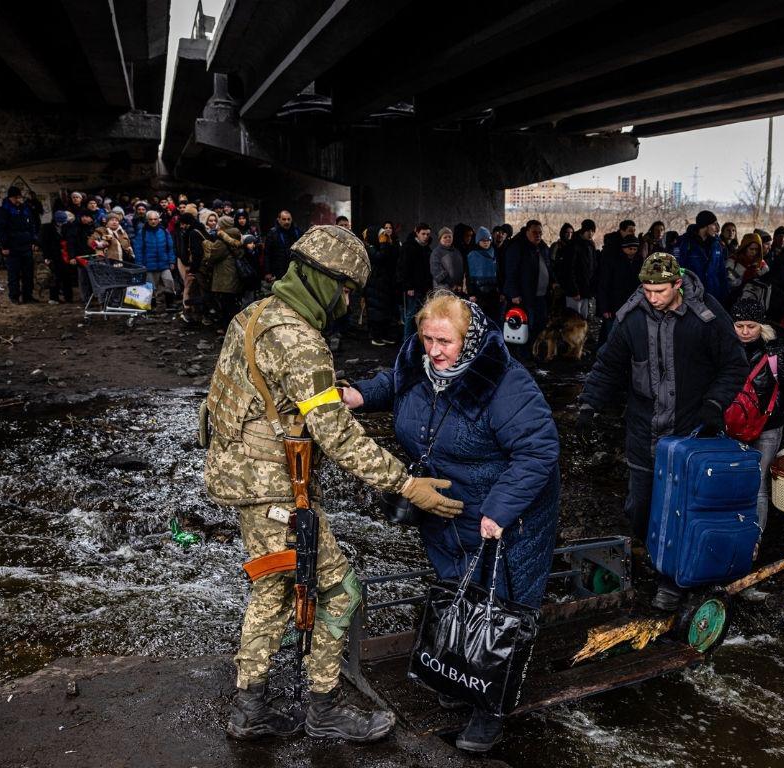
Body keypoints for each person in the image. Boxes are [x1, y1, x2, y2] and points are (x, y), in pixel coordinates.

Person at [205, 225, 462, 743]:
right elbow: (338, 436)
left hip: (244, 481)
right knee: (342, 591)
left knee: (272, 591)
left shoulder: (255, 315)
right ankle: (322, 708)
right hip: (274, 489)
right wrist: (406, 484)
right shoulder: (301, 340)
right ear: (325, 281)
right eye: (345, 290)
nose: (347, 302)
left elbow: (239, 402)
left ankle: (249, 708)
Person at [343, 291, 560, 752]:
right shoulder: (420, 363)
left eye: (445, 341)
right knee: (455, 590)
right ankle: (458, 675)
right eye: (427, 339)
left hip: (505, 517)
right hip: (445, 508)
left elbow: (538, 451)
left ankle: (490, 710)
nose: (434, 351)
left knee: (498, 606)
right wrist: (361, 394)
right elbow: (395, 383)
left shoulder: (504, 383)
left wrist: (499, 510)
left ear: (471, 338)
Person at [577, 252, 748, 609]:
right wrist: (589, 405)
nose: (652, 297)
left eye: (659, 290)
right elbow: (608, 365)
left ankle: (672, 581)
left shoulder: (706, 317)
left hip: (689, 433)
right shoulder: (631, 319)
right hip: (643, 431)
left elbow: (734, 364)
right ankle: (649, 558)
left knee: (681, 510)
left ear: (677, 285)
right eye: (647, 289)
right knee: (639, 507)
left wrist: (715, 405)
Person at [730, 298, 784, 532]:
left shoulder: (777, 352)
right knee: (730, 479)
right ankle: (731, 533)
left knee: (758, 485)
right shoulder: (723, 348)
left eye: (751, 326)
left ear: (762, 326)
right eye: (739, 326)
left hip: (768, 426)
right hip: (732, 426)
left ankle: (753, 538)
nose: (745, 332)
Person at [504, 220, 553, 355]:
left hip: (541, 295)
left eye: (540, 233)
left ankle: (534, 352)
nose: (538, 235)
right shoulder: (517, 247)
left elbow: (548, 267)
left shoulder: (542, 247)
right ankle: (523, 356)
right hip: (524, 296)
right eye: (534, 233)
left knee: (540, 324)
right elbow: (510, 271)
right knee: (525, 326)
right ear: (527, 232)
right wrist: (514, 293)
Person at [595, 233, 643, 345]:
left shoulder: (639, 261)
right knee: (611, 334)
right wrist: (605, 308)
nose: (632, 252)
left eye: (635, 249)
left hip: (632, 303)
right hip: (614, 305)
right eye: (629, 249)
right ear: (623, 248)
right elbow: (604, 285)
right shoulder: (612, 261)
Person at [0, 186, 39, 304]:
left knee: (28, 273)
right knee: (13, 274)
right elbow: (0, 229)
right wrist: (4, 246)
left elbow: (32, 226)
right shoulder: (4, 210)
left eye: (20, 197)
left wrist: (34, 241)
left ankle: (28, 296)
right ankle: (14, 297)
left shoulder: (25, 209)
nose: (19, 200)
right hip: (12, 247)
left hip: (26, 245)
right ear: (11, 198)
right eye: (17, 198)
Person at [673, 211, 727, 303]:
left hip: (714, 296)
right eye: (714, 224)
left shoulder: (717, 245)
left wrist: (725, 295)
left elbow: (721, 272)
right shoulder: (685, 243)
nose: (717, 228)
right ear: (705, 225)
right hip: (692, 297)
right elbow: (677, 271)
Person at [202, 215, 243, 329]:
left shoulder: (222, 240)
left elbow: (214, 255)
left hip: (225, 276)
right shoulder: (237, 235)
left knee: (226, 303)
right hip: (233, 274)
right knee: (232, 302)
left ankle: (227, 327)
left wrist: (207, 245)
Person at [363, 222, 400, 346]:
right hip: (374, 283)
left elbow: (392, 256)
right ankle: (375, 336)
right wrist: (384, 244)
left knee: (384, 310)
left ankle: (383, 335)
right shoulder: (369, 248)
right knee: (375, 311)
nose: (383, 237)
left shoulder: (380, 246)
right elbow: (380, 258)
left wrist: (387, 243)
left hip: (383, 283)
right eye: (381, 235)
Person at [132, 210, 177, 311]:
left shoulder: (164, 231)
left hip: (164, 263)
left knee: (169, 283)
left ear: (158, 220)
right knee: (152, 287)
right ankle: (156, 306)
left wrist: (171, 261)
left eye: (155, 219)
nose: (153, 221)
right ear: (147, 220)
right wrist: (140, 265)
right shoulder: (142, 232)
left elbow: (170, 247)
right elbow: (138, 250)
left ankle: (170, 303)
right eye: (151, 219)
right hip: (149, 265)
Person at [396, 222, 433, 338]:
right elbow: (404, 268)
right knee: (411, 315)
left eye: (427, 234)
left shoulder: (426, 248)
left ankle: (418, 341)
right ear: (416, 232)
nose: (426, 236)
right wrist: (408, 286)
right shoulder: (408, 247)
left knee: (422, 315)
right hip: (413, 287)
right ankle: (407, 342)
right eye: (423, 234)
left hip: (424, 287)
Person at [175, 204, 208, 324]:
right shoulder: (201, 229)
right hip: (205, 266)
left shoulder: (192, 233)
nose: (182, 226)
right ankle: (196, 314)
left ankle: (192, 315)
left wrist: (192, 269)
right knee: (197, 290)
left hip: (198, 267)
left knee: (192, 290)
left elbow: (196, 253)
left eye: (183, 223)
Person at [466, 226, 502, 326]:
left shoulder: (494, 252)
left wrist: (501, 290)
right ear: (478, 241)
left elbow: (499, 273)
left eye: (488, 240)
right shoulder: (472, 254)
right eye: (483, 240)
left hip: (493, 292)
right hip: (478, 294)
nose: (486, 242)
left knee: (494, 320)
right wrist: (471, 293)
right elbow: (468, 275)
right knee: (480, 321)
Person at [560, 219, 596, 319]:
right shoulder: (573, 245)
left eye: (593, 231)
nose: (591, 234)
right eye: (589, 231)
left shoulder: (590, 245)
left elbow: (592, 268)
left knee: (582, 320)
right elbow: (568, 270)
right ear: (583, 230)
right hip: (575, 292)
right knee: (573, 321)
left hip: (585, 290)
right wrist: (573, 290)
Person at [39, 211, 72, 304]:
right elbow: (44, 243)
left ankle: (68, 297)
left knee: (67, 277)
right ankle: (53, 298)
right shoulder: (47, 228)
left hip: (65, 255)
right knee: (54, 277)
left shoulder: (67, 226)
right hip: (53, 256)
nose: (62, 224)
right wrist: (47, 257)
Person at [264, 210, 302, 283]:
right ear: (279, 220)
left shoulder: (297, 231)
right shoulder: (273, 233)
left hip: (294, 269)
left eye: (288, 219)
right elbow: (267, 254)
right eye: (284, 219)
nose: (286, 222)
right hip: (278, 270)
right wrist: (267, 272)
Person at [430, 227, 464, 293]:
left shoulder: (457, 252)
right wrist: (452, 285)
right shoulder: (436, 253)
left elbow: (461, 270)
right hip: (442, 290)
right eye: (445, 237)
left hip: (457, 290)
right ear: (440, 239)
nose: (448, 239)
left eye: (450, 236)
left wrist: (459, 285)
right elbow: (437, 273)